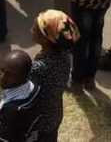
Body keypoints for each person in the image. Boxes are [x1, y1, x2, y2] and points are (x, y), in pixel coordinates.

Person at [28, 11, 77, 142]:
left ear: (45, 38)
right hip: (55, 113)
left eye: (35, 29)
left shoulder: (39, 68)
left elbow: (29, 96)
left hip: (39, 121)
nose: (31, 30)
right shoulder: (65, 56)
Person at [0, 50, 43, 142]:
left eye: (9, 75)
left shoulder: (12, 111)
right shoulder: (35, 87)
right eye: (3, 71)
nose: (3, 78)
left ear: (24, 76)